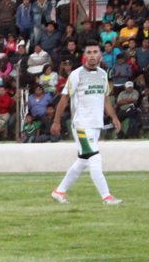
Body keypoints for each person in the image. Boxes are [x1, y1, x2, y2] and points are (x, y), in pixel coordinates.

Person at [49, 41, 123, 205]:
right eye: (88, 52)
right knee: (95, 158)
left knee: (83, 161)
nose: (91, 55)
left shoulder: (103, 74)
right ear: (84, 56)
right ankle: (107, 197)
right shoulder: (76, 74)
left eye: (95, 52)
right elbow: (64, 98)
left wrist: (114, 118)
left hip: (96, 125)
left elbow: (105, 100)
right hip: (81, 125)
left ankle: (59, 191)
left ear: (100, 55)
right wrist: (56, 121)